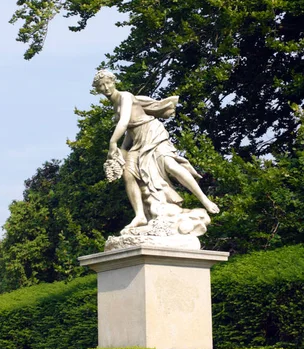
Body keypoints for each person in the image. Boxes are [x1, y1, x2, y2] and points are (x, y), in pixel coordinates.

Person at [93, 69, 219, 229]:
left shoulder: (125, 96)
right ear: (97, 90)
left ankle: (204, 200)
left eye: (107, 83)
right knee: (128, 175)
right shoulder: (115, 106)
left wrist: (112, 143)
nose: (105, 88)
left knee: (171, 165)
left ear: (113, 82)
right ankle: (140, 215)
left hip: (152, 132)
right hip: (138, 142)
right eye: (101, 86)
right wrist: (122, 151)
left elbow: (124, 123)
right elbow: (130, 130)